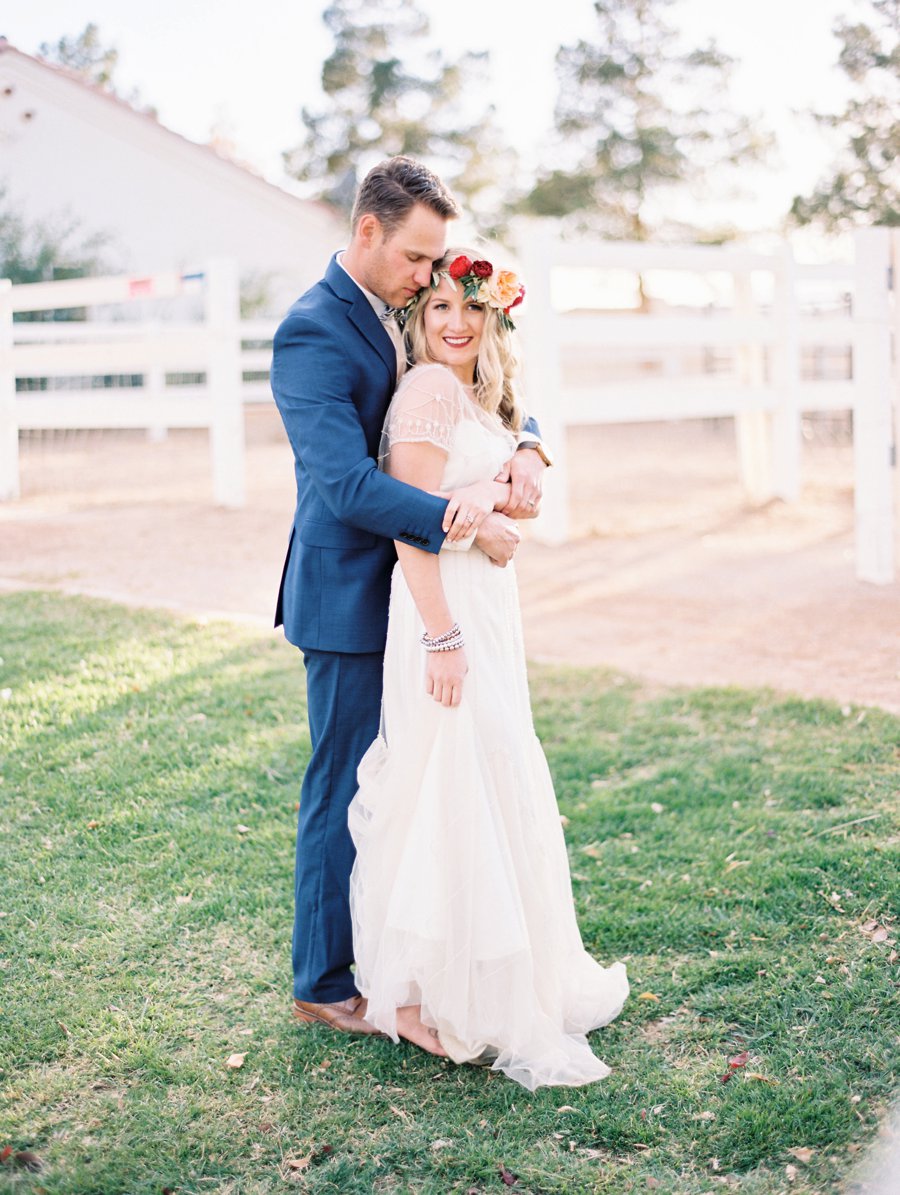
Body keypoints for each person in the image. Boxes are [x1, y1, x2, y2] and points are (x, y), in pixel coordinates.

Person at [270, 158, 549, 1036]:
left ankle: (406, 957)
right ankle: (320, 980)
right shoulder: (313, 330)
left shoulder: (395, 308)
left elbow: (473, 384)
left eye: (438, 262)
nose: (430, 278)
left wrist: (529, 449)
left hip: (408, 594)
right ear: (366, 232)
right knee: (346, 784)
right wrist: (466, 522)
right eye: (418, 259)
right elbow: (348, 484)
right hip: (349, 592)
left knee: (407, 786)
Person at [347, 251, 629, 1090]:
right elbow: (410, 526)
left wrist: (514, 474)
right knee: (450, 778)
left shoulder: (479, 390)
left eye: (471, 308)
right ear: (419, 320)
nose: (456, 323)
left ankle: (483, 973)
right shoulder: (430, 390)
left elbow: (487, 465)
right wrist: (442, 635)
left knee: (492, 771)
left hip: (487, 609)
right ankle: (422, 992)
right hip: (446, 611)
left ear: (496, 317)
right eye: (438, 309)